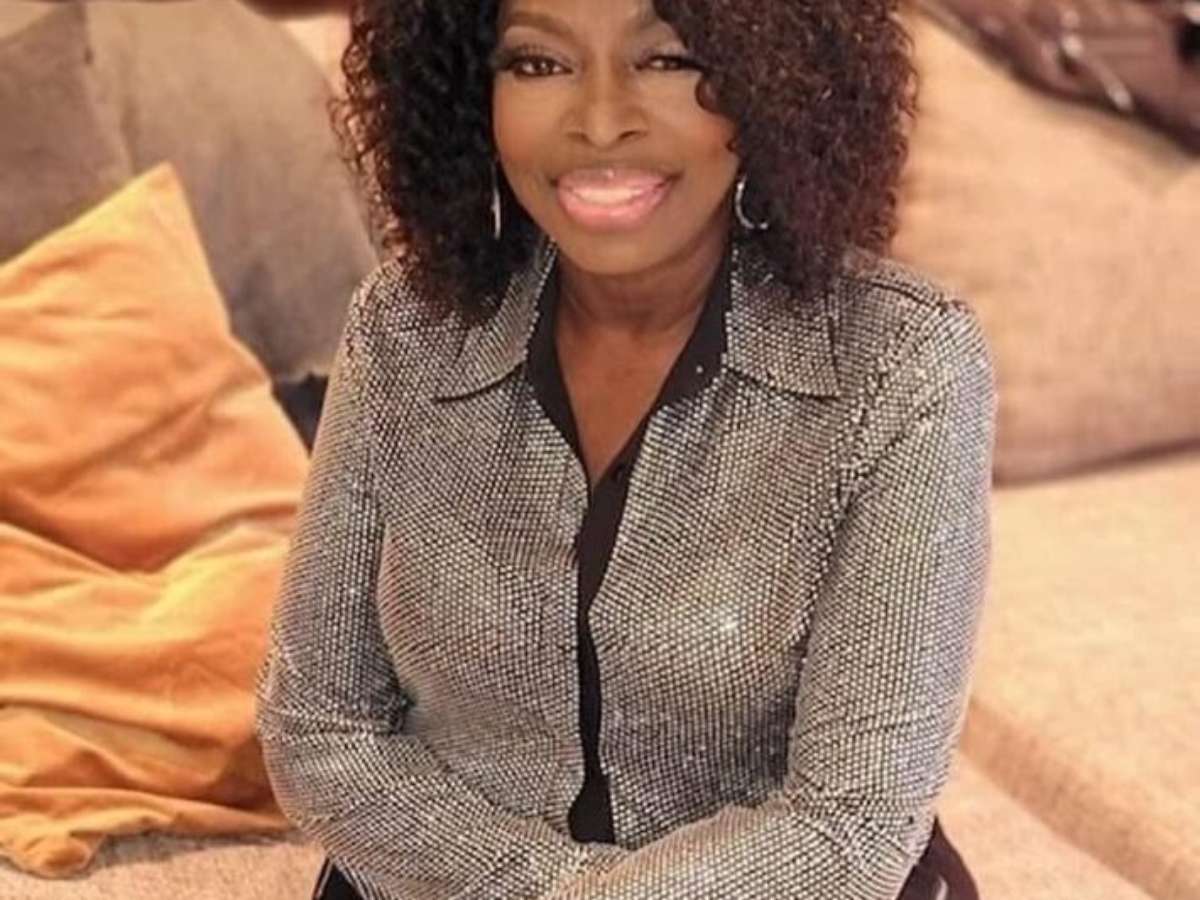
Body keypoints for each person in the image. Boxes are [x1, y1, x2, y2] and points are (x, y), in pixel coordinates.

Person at [254, 0, 997, 898]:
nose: (601, 121)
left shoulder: (902, 363)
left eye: (668, 59)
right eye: (538, 63)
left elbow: (852, 825)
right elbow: (318, 727)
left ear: (776, 82)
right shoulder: (404, 332)